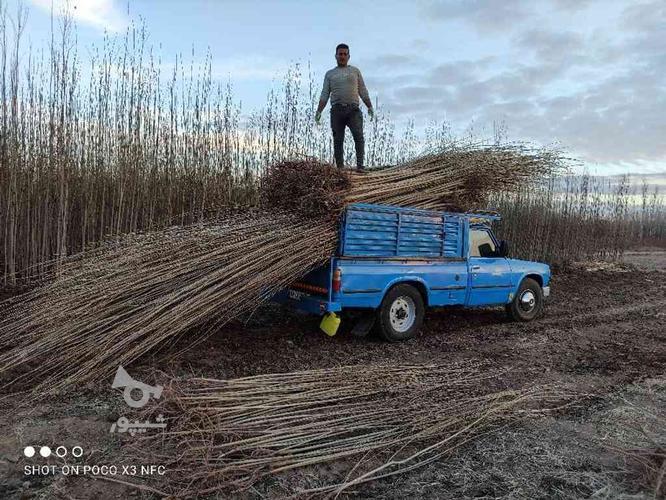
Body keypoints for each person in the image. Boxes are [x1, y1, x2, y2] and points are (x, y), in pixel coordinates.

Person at [315, 43, 374, 170]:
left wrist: (369, 106)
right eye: (340, 54)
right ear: (335, 56)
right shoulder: (330, 74)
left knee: (358, 136)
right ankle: (340, 169)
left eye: (344, 54)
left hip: (353, 110)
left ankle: (360, 166)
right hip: (336, 110)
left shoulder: (355, 71)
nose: (342, 56)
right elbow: (325, 93)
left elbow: (362, 90)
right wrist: (319, 111)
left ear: (348, 56)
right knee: (338, 140)